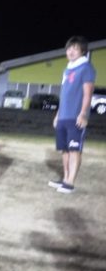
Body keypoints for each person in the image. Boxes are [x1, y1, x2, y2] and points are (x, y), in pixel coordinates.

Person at [48, 36, 95, 194]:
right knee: (65, 150)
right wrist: (58, 115)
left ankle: (70, 183)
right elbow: (64, 94)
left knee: (74, 150)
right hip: (63, 117)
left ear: (82, 50)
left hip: (76, 117)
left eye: (75, 48)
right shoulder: (67, 69)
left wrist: (83, 114)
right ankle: (65, 178)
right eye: (69, 48)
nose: (71, 51)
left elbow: (88, 94)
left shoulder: (86, 67)